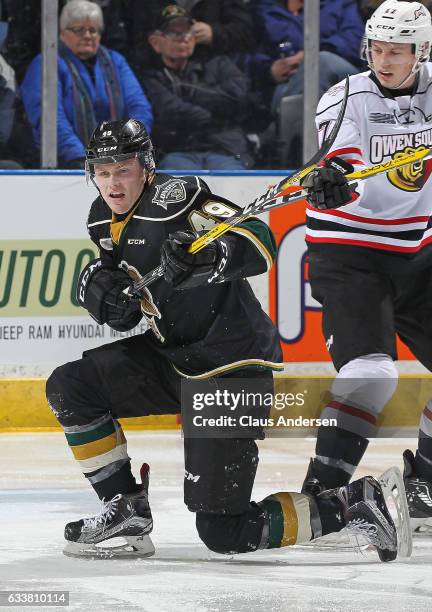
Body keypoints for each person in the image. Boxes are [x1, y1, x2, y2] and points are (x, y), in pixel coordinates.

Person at [45, 117, 399, 562]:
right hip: (175, 358)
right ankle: (125, 509)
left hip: (231, 367)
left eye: (124, 169)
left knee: (223, 530)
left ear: (147, 167)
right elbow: (123, 285)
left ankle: (354, 505)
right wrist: (104, 290)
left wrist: (214, 255)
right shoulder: (101, 218)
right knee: (71, 385)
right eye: (103, 171)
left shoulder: (177, 200)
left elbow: (260, 239)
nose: (113, 183)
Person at [298, 0, 432, 532]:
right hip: (350, 248)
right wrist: (333, 175)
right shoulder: (345, 94)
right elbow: (339, 154)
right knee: (371, 373)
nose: (384, 59)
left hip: (416, 254)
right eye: (376, 48)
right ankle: (323, 493)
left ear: (421, 51)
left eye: (397, 50)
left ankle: (425, 483)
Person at [20, 0, 153, 168]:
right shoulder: (47, 63)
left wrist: (129, 146)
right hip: (66, 163)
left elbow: (139, 106)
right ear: (62, 33)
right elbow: (50, 120)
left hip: (120, 161)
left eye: (93, 30)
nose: (88, 35)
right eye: (79, 30)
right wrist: (83, 158)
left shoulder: (115, 61)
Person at [143, 5, 254, 170]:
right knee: (179, 178)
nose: (184, 38)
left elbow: (239, 98)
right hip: (178, 151)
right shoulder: (150, 77)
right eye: (174, 33)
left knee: (233, 176)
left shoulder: (219, 64)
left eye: (188, 32)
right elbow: (171, 112)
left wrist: (189, 93)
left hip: (225, 150)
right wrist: (216, 113)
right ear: (155, 42)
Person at [251, 0, 364, 111]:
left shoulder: (341, 3)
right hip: (284, 84)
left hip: (339, 77)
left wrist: (312, 54)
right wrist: (269, 70)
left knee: (322, 64)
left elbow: (355, 40)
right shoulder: (263, 8)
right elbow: (247, 56)